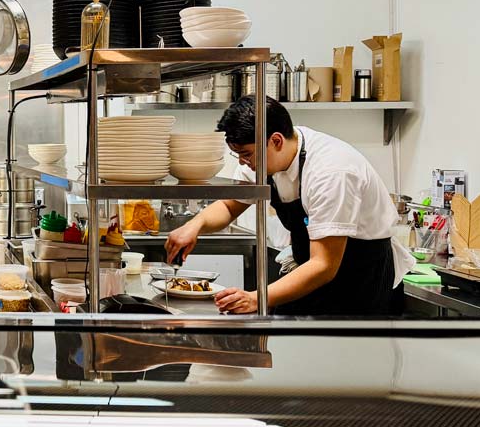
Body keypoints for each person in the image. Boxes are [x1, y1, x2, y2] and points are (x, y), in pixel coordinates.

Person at [165, 96, 413, 315]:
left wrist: (256, 298)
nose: (242, 162)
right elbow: (231, 206)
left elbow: (324, 265)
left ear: (276, 140)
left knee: (343, 353)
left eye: (246, 154)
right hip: (312, 271)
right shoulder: (265, 158)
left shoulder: (331, 172)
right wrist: (194, 225)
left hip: (359, 280)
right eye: (237, 154)